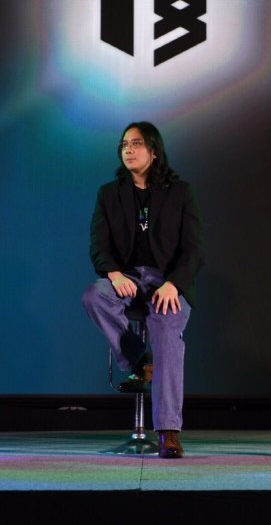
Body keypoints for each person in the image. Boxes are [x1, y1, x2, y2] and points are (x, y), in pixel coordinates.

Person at [82, 121, 203, 459]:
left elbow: (194, 249)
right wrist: (114, 274)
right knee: (94, 295)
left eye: (136, 144)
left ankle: (168, 432)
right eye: (124, 145)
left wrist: (174, 284)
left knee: (167, 334)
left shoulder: (180, 192)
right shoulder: (110, 193)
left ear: (154, 151)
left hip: (168, 281)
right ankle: (138, 359)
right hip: (129, 277)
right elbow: (98, 244)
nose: (129, 150)